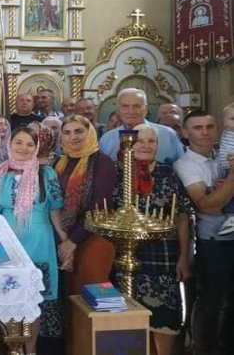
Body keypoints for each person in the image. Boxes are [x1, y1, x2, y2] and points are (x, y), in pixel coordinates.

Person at [0, 126, 67, 354]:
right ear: (9, 145)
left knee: (34, 300)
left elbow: (54, 208)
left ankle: (30, 350)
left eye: (30, 144)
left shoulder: (46, 173)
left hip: (40, 239)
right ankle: (12, 348)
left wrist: (63, 236)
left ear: (36, 148)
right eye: (18, 143)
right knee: (7, 293)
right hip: (7, 237)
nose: (23, 148)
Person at [113, 124, 191, 355]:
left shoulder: (167, 173)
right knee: (127, 318)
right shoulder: (118, 173)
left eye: (151, 141)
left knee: (165, 318)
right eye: (140, 140)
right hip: (125, 256)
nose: (146, 146)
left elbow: (182, 217)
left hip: (163, 255)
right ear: (128, 144)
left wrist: (184, 257)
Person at [174, 110, 234, 354]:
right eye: (198, 128)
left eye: (210, 126)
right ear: (186, 133)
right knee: (210, 302)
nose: (206, 132)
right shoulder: (185, 164)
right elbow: (208, 205)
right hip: (212, 242)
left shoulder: (224, 156)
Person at [55, 115, 116, 294]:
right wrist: (64, 240)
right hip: (63, 238)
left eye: (79, 131)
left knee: (90, 294)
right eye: (67, 132)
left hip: (92, 237)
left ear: (90, 133)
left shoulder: (102, 162)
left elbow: (99, 205)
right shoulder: (60, 162)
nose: (73, 137)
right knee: (68, 294)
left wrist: (73, 241)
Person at [99, 88, 185, 165]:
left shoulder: (168, 134)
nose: (131, 111)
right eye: (125, 106)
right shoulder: (107, 139)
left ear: (146, 109)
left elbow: (183, 167)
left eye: (136, 106)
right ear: (118, 110)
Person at [217, 102, 234, 235]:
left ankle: (231, 216)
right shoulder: (226, 132)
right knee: (227, 192)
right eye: (232, 119)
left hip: (231, 167)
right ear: (224, 121)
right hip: (225, 168)